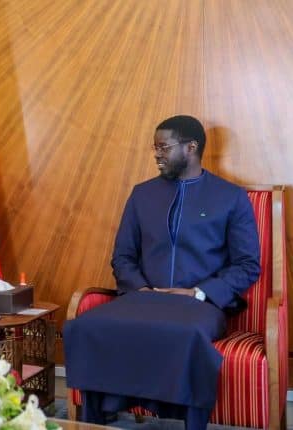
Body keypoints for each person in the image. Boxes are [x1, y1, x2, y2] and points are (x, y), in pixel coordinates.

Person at [64, 115, 260, 430]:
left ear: (191, 147)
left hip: (200, 304)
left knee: (186, 334)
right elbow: (123, 256)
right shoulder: (142, 194)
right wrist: (141, 290)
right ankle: (94, 422)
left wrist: (198, 292)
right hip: (143, 298)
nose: (156, 154)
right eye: (155, 147)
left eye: (163, 147)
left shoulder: (230, 197)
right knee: (89, 325)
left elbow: (247, 264)